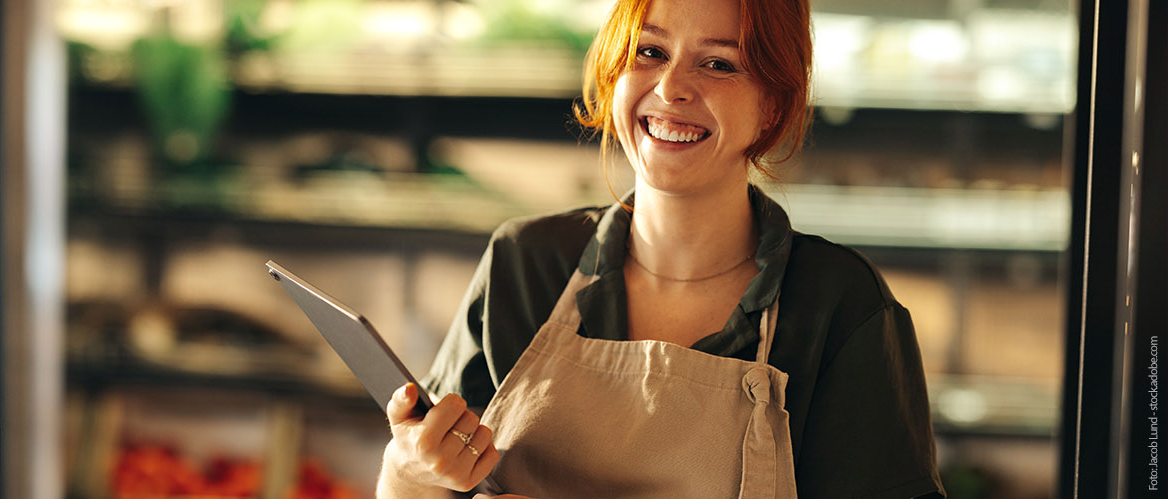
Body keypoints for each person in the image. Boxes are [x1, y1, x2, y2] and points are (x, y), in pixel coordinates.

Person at [377, 0, 945, 497]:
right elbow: (433, 477)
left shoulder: (840, 306)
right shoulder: (523, 264)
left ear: (774, 104)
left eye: (718, 63)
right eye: (649, 52)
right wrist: (409, 470)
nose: (671, 87)